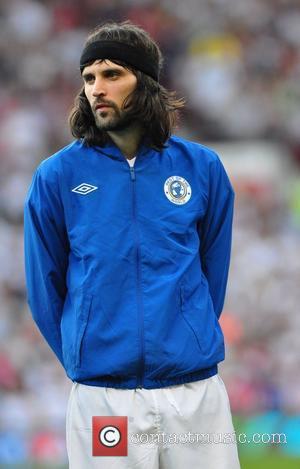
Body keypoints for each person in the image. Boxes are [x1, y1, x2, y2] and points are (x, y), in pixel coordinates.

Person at [24, 20, 240, 469]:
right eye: (88, 78)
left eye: (111, 75)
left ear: (145, 83)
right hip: (105, 400)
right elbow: (45, 288)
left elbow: (211, 276)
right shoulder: (57, 177)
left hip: (194, 392)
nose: (96, 88)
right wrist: (90, 355)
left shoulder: (203, 169)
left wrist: (186, 337)